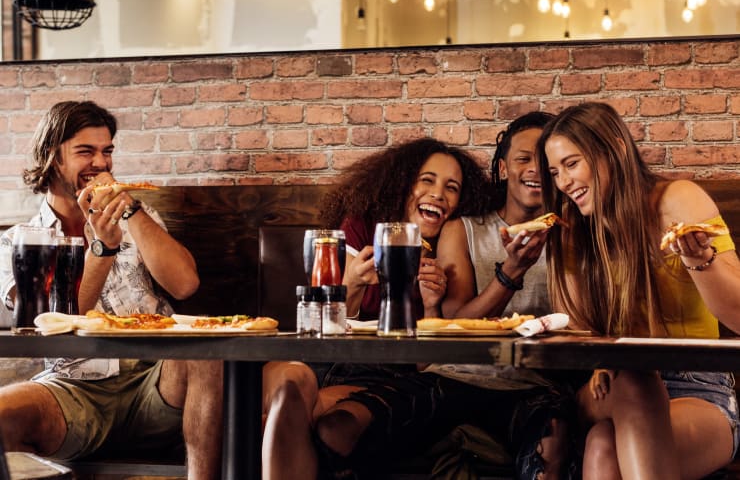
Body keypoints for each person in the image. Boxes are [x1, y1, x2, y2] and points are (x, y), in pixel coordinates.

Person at [0, 101, 222, 479]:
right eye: (85, 152)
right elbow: (57, 319)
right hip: (73, 387)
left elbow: (185, 285)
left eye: (107, 151)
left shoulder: (139, 215)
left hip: (156, 382)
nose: (101, 164)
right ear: (52, 158)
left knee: (204, 348)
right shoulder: (17, 244)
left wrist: (131, 210)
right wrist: (102, 249)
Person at [262, 137, 492, 480]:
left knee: (282, 416)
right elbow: (323, 325)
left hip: (378, 374)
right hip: (320, 357)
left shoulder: (449, 249)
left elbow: (432, 366)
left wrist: (431, 308)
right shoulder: (360, 228)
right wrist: (352, 282)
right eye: (426, 180)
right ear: (403, 182)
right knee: (291, 381)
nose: (438, 193)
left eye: (452, 187)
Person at [538, 101, 740, 479]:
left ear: (613, 147)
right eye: (554, 172)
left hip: (698, 387)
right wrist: (557, 255)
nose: (563, 183)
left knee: (603, 448)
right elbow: (581, 336)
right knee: (633, 376)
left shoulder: (678, 201)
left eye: (571, 164)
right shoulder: (573, 229)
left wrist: (700, 260)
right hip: (611, 383)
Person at [433, 111, 577, 479]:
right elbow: (454, 324)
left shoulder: (574, 232)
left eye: (546, 162)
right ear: (502, 169)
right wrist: (510, 272)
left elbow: (584, 321)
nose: (535, 170)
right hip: (454, 378)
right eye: (523, 159)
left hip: (534, 385)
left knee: (554, 441)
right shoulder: (462, 230)